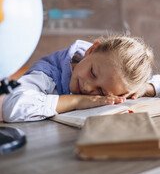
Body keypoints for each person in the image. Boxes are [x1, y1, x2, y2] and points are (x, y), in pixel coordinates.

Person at [2, 35, 160, 122]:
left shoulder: (113, 74)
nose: (87, 88)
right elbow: (12, 107)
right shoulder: (47, 73)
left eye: (101, 91)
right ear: (91, 50)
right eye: (92, 73)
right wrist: (77, 101)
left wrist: (146, 88)